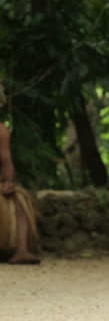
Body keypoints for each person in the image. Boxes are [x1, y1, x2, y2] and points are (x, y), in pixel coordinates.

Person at [0, 81, 40, 264]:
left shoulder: (1, 131)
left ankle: (21, 250)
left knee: (19, 198)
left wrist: (8, 181)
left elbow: (6, 161)